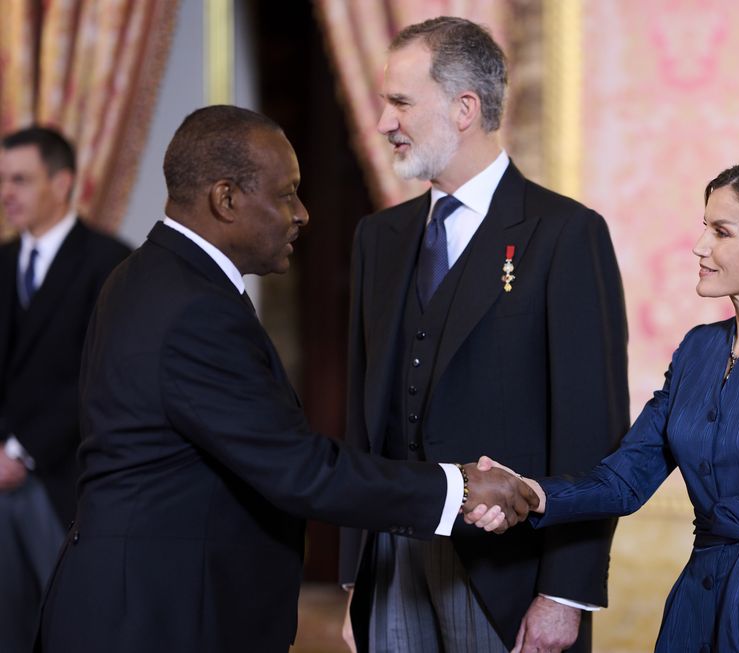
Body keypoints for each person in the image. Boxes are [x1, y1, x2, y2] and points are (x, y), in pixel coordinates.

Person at [35, 105, 537, 653]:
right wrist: (458, 489)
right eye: (285, 195)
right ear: (225, 199)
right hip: (154, 620)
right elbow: (301, 470)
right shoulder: (191, 308)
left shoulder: (149, 276)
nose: (302, 214)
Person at [473, 156, 739, 652]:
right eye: (703, 228)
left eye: (722, 232)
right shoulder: (698, 349)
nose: (700, 246)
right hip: (696, 612)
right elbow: (625, 479)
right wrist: (531, 493)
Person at [340, 16, 630, 653]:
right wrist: (354, 577)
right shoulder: (377, 240)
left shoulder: (565, 234)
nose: (384, 122)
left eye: (400, 102)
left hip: (508, 569)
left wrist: (564, 593)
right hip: (391, 553)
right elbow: (364, 418)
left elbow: (591, 428)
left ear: (464, 107)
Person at [0, 126, 130, 653]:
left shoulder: (111, 262)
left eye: (21, 180)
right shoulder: (1, 262)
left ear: (62, 182)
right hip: (0, 476)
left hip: (65, 479)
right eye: (4, 180)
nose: (8, 192)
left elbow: (101, 376)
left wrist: (20, 450)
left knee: (73, 629)